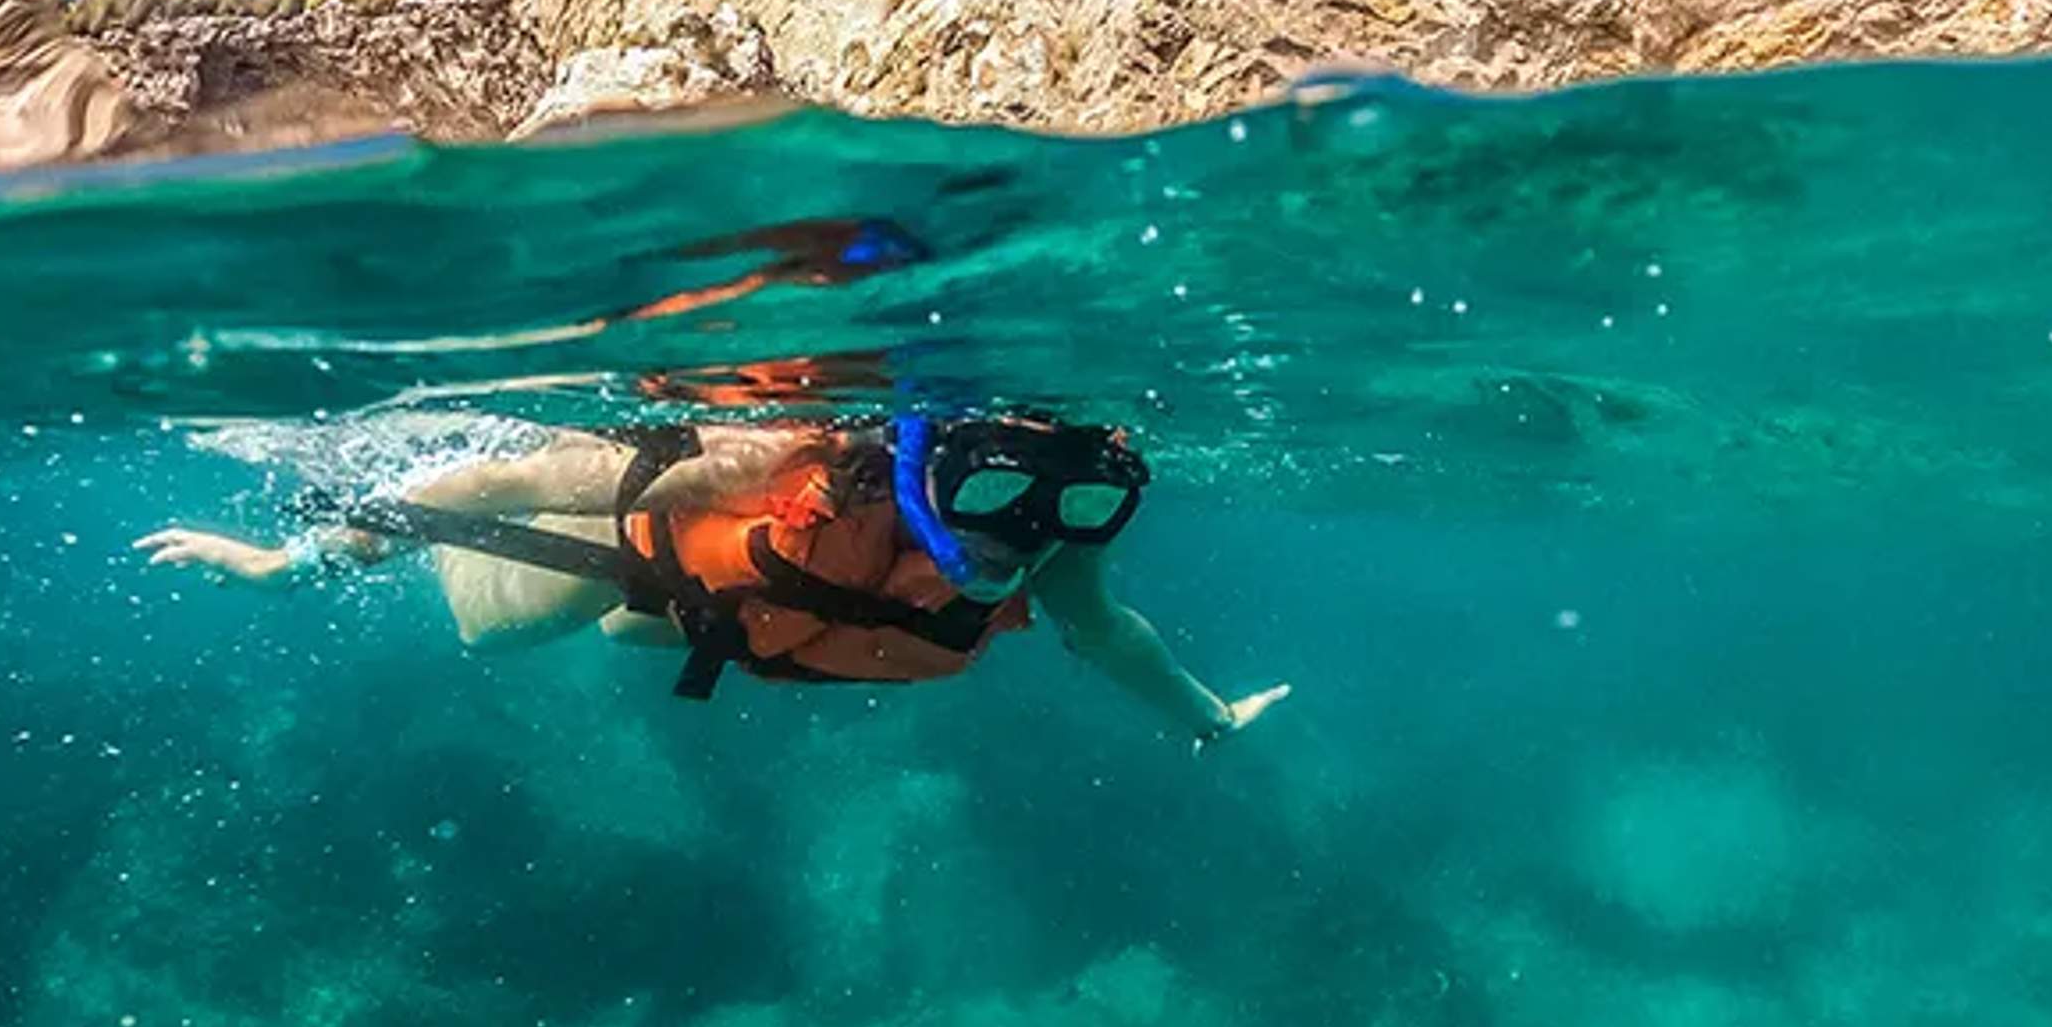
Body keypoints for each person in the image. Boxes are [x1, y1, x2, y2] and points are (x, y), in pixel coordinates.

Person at [138, 411, 1287, 746]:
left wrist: (1208, 718)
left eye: (1069, 514)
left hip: (735, 616)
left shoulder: (1051, 533)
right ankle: (411, 557)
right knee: (487, 629)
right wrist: (285, 566)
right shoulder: (771, 460)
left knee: (657, 635)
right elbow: (496, 480)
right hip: (643, 563)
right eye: (989, 503)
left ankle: (674, 620)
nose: (1019, 537)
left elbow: (1115, 634)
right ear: (936, 471)